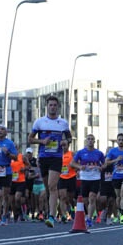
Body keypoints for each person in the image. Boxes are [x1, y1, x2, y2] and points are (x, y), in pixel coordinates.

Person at [27, 95, 72, 228]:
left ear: (58, 107)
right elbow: (30, 139)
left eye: (55, 105)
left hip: (56, 158)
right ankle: (55, 210)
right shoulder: (39, 122)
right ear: (47, 107)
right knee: (48, 188)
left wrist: (65, 142)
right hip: (43, 158)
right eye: (50, 105)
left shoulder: (63, 123)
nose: (52, 107)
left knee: (52, 186)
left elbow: (69, 138)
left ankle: (51, 217)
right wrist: (42, 141)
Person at [71, 134, 104, 227]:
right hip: (84, 178)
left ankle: (89, 218)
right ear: (86, 141)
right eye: (88, 139)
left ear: (94, 141)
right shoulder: (81, 152)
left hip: (95, 178)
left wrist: (101, 167)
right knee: (85, 200)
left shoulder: (99, 153)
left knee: (92, 197)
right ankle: (87, 215)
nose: (90, 141)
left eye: (92, 139)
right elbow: (72, 163)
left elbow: (104, 164)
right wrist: (80, 166)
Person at [104, 133, 123, 224]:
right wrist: (116, 160)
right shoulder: (112, 151)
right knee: (118, 197)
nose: (121, 141)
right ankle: (119, 211)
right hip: (116, 176)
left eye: (122, 140)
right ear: (117, 141)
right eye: (119, 140)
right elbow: (107, 162)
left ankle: (122, 215)